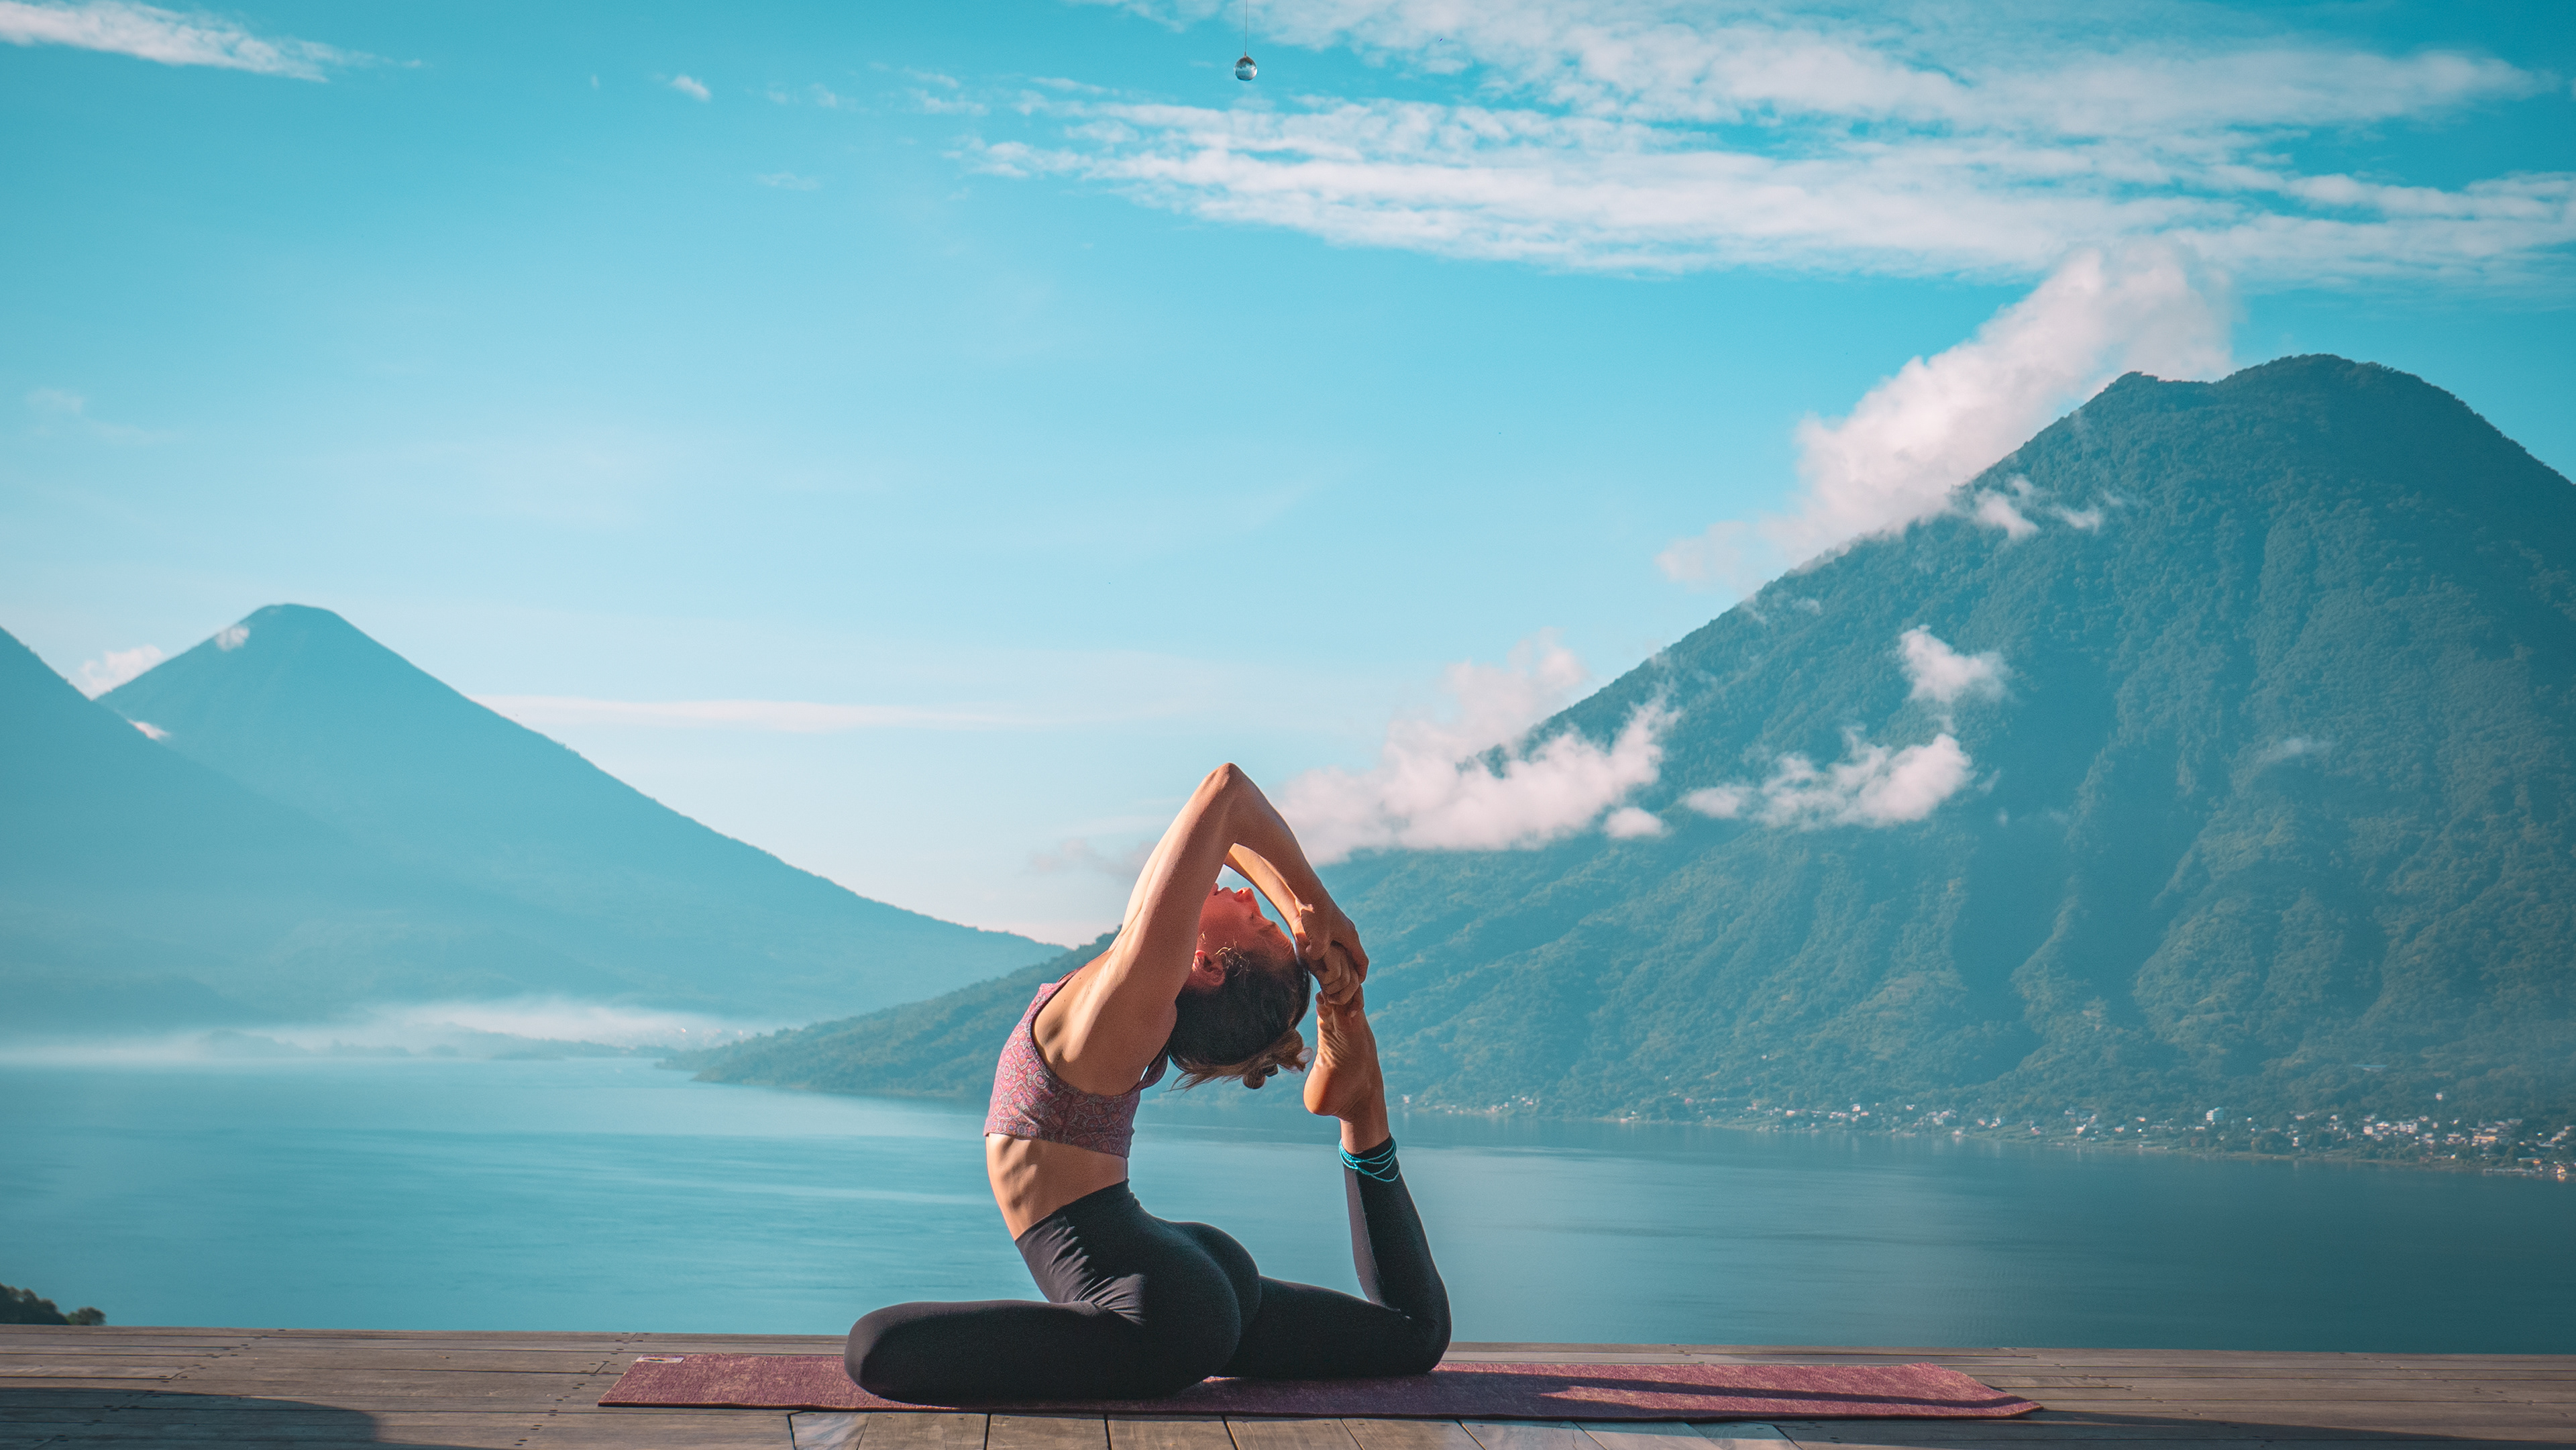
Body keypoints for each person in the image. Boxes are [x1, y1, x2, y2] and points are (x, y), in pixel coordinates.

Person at [847, 764, 1450, 1402]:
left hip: (1153, 1313)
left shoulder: (1130, 1000)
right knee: (1413, 1334)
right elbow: (1232, 837)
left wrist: (1313, 907)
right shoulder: (1136, 984)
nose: (1249, 897)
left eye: (1261, 924)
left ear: (1208, 967)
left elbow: (1227, 793)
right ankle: (1364, 1109)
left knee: (873, 1348)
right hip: (1179, 1268)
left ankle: (1358, 1097)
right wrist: (1304, 917)